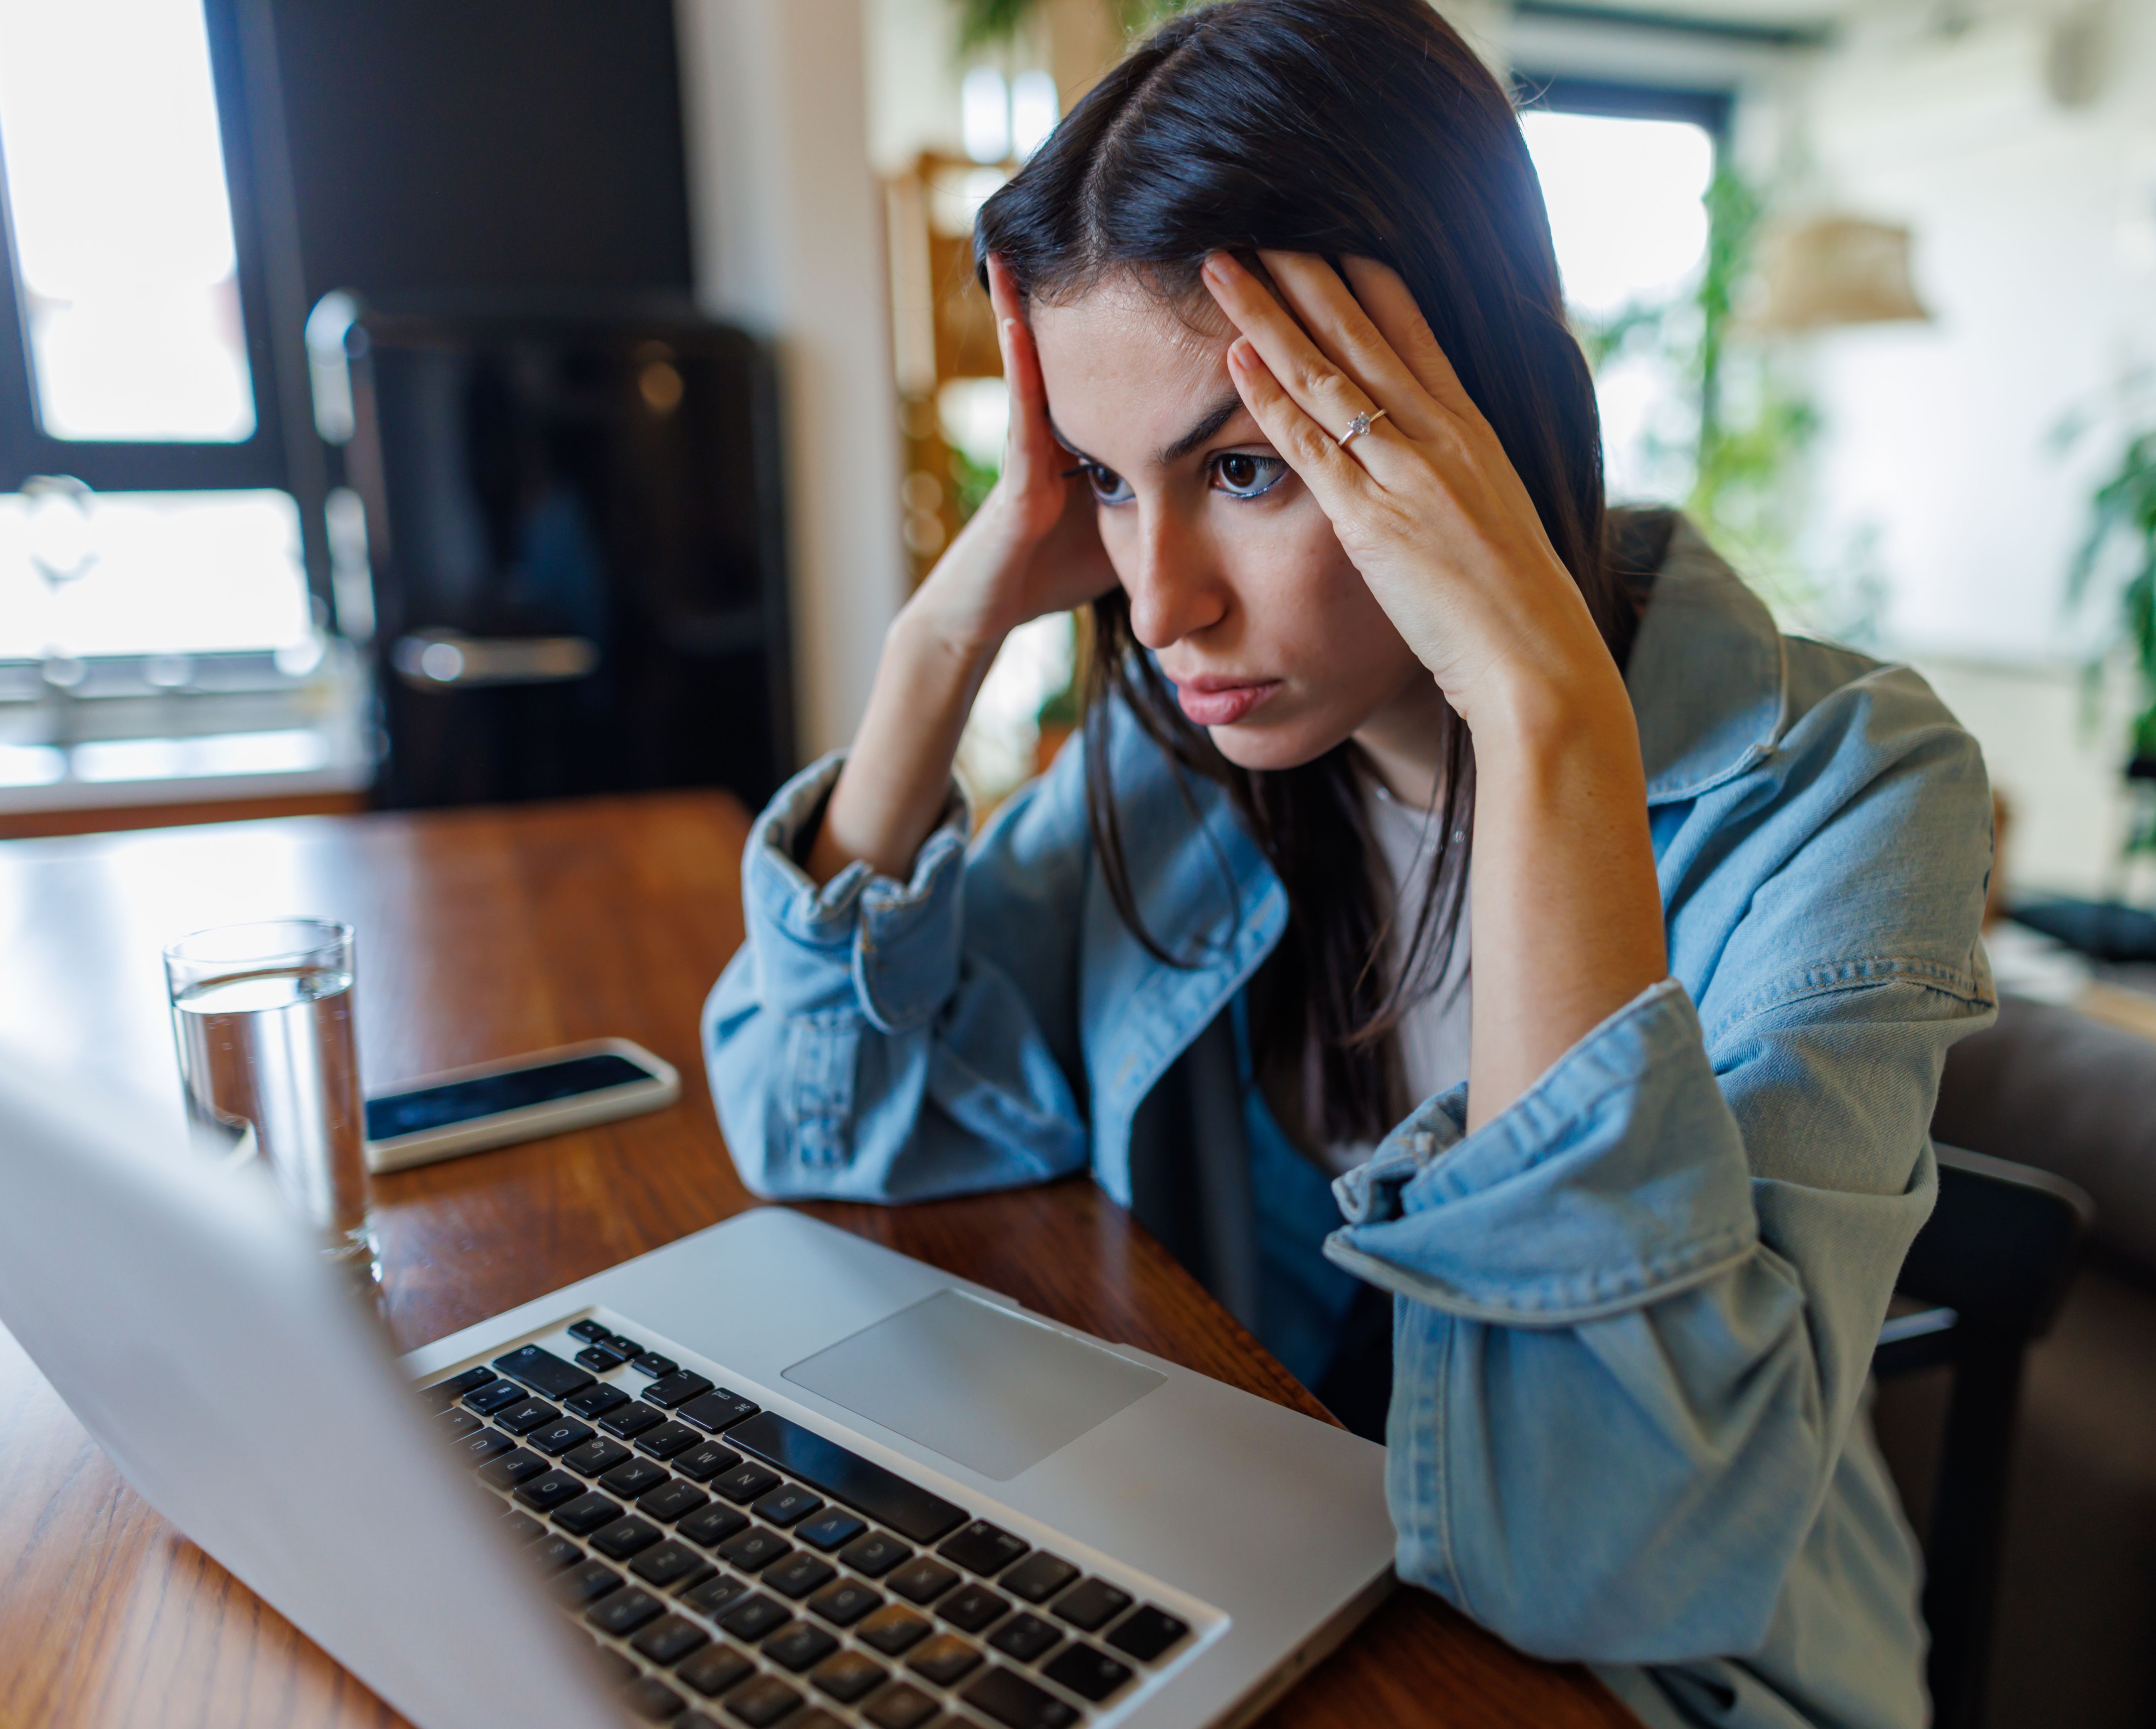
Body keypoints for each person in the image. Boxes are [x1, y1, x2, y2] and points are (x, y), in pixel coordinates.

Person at [702, 2, 1995, 1724]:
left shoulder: (1847, 797)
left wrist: (1546, 722)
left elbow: (1600, 1548)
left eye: (1245, 468)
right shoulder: (1191, 753)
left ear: (1470, 416)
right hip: (1255, 1584)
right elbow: (824, 1120)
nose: (1161, 606)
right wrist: (943, 634)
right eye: (1100, 478)